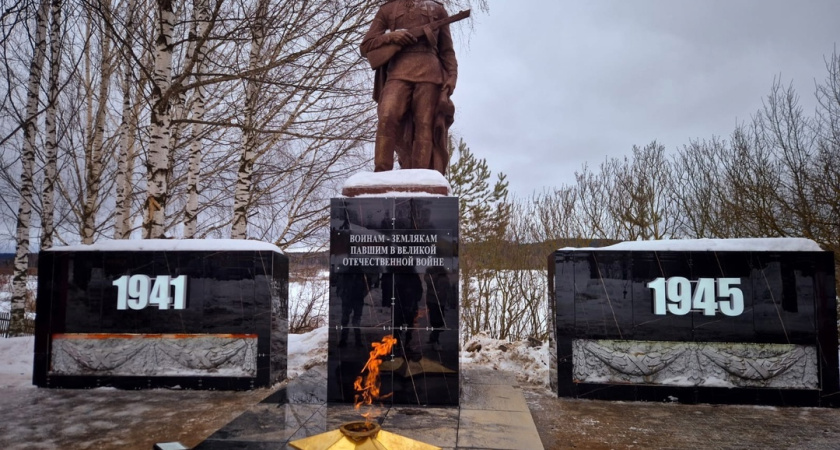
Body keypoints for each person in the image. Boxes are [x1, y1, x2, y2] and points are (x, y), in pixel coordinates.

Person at [360, 0, 458, 175]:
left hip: (430, 73)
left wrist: (452, 76)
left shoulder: (438, 9)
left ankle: (420, 176)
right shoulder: (388, 9)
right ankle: (381, 175)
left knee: (424, 124)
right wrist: (392, 36)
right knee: (387, 116)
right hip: (398, 71)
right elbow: (366, 45)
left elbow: (447, 51)